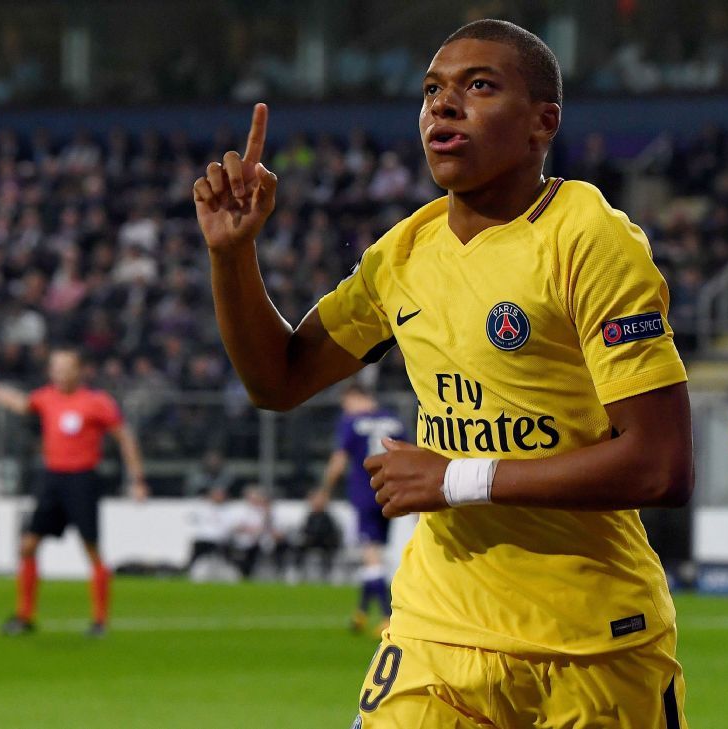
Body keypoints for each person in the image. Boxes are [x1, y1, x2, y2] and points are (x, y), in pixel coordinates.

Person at [194, 18, 693, 727]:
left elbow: (661, 466)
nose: (444, 105)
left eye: (478, 86)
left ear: (542, 123)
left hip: (593, 641)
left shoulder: (588, 237)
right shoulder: (404, 252)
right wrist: (231, 255)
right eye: (432, 91)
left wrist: (456, 478)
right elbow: (278, 380)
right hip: (438, 631)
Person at [0, 348, 148, 637]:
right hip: (51, 479)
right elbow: (19, 403)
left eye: (66, 368)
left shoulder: (97, 402)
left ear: (80, 371)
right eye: (55, 368)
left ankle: (100, 620)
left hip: (82, 480)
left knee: (91, 549)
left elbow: (124, 437)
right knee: (28, 546)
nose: (60, 374)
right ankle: (25, 616)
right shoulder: (46, 397)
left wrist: (137, 479)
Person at [315, 384, 407, 632]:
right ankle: (362, 612)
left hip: (365, 493)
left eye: (346, 403)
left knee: (371, 554)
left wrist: (324, 490)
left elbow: (339, 460)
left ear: (355, 397)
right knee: (375, 552)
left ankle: (388, 616)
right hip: (391, 494)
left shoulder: (352, 422)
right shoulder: (394, 421)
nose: (345, 408)